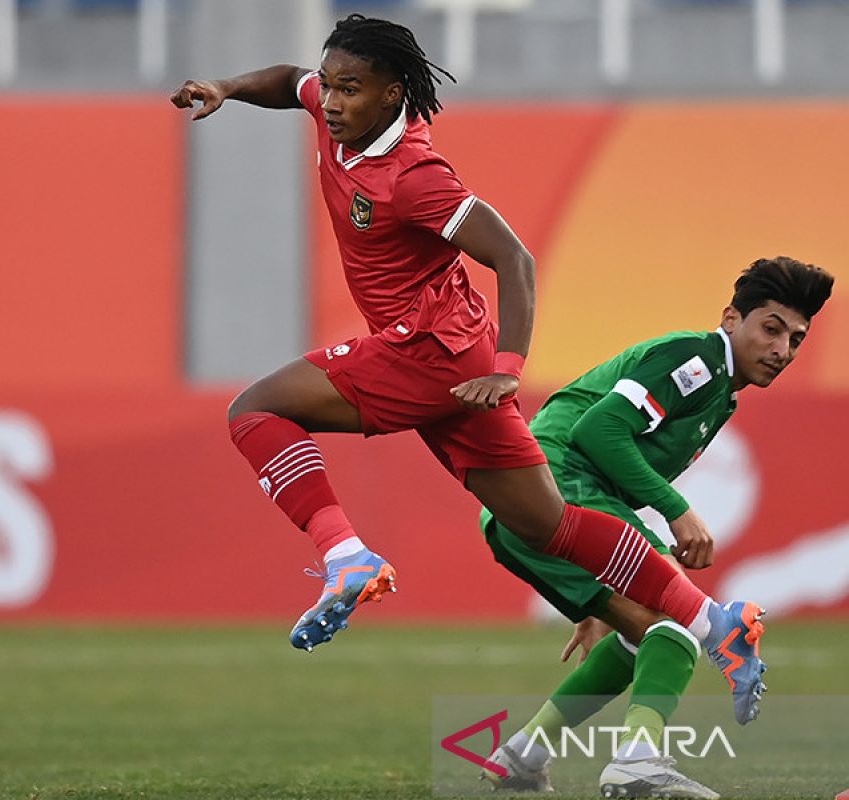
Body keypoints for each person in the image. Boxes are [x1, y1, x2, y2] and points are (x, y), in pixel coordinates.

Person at [169, 13, 760, 695]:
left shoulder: (414, 178)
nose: (330, 101)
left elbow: (514, 258)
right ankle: (717, 623)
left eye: (349, 89)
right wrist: (225, 84)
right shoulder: (339, 114)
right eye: (330, 85)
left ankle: (346, 556)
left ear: (391, 95)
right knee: (550, 526)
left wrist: (510, 371)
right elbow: (286, 81)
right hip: (457, 359)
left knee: (256, 411)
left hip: (422, 353)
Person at [479, 257, 834, 797]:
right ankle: (637, 761)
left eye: (796, 339)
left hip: (521, 506)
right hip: (558, 488)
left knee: (643, 629)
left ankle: (523, 756)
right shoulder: (696, 359)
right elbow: (597, 431)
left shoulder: (721, 393)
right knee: (682, 621)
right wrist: (677, 508)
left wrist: (594, 592)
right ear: (731, 318)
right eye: (770, 329)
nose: (782, 350)